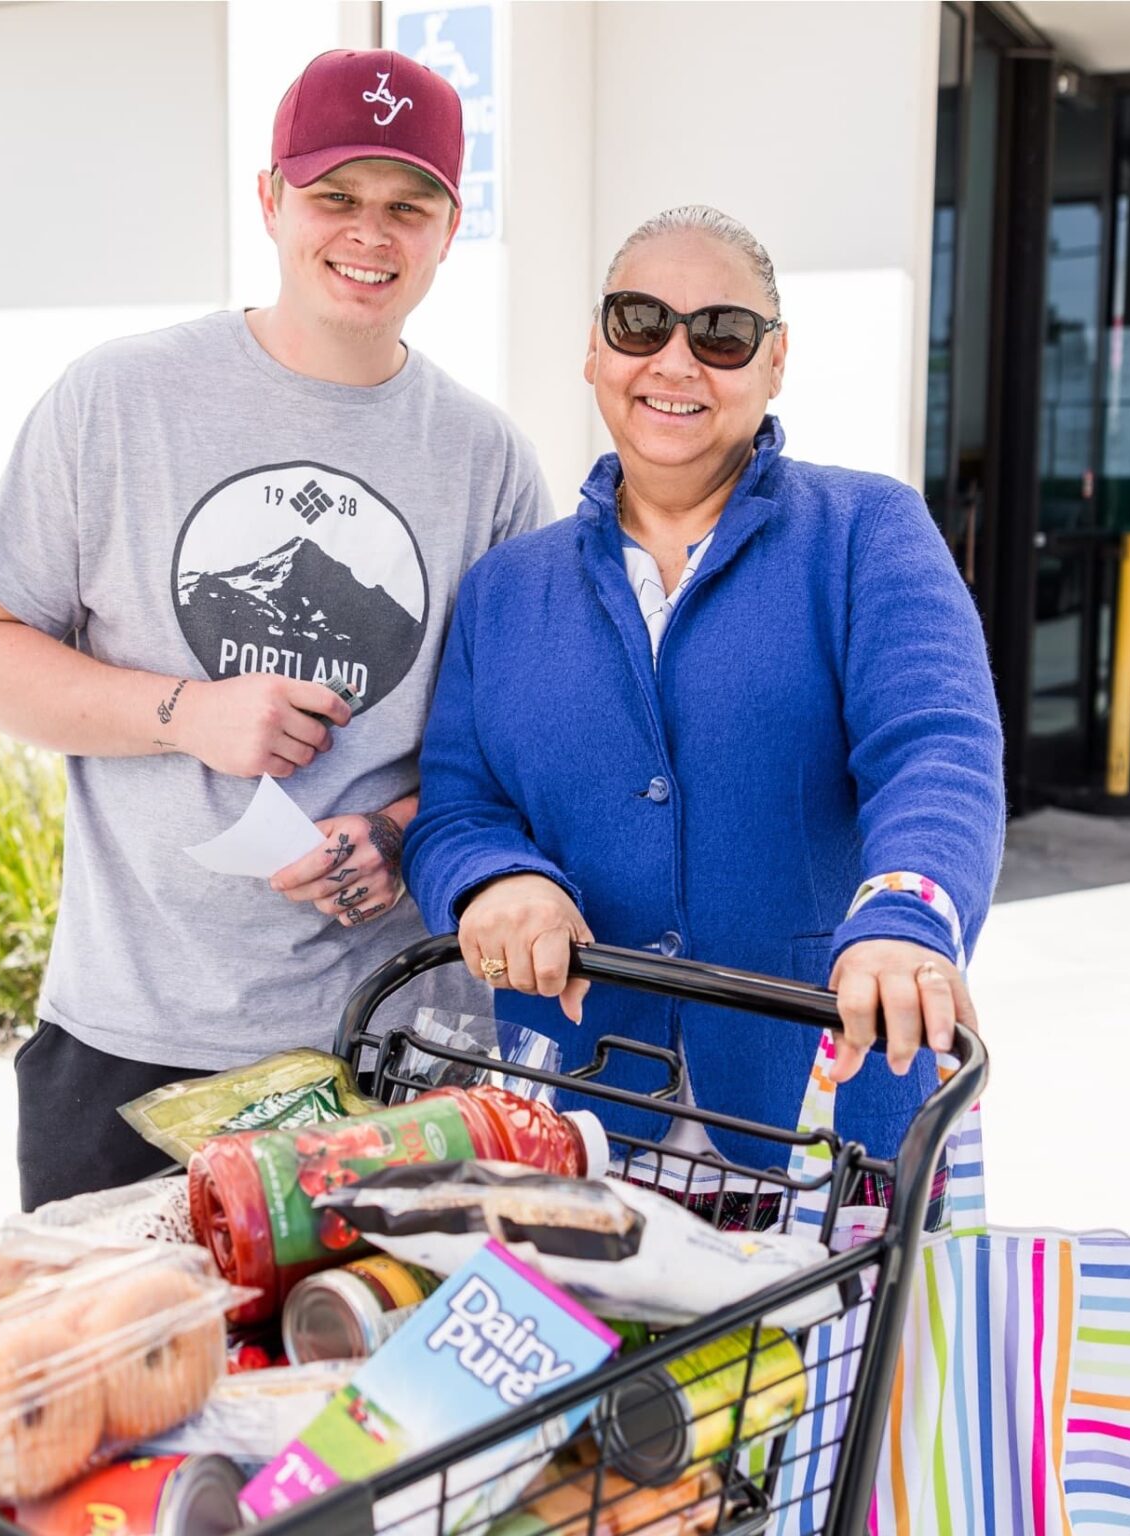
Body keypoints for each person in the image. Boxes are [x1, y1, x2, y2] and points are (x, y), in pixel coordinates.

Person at [0, 49, 552, 1211]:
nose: (370, 233)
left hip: (391, 1040)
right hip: (130, 1034)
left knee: (353, 1386)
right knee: (117, 1379)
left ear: (448, 228)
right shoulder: (117, 400)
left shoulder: (489, 461)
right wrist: (182, 712)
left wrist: (403, 833)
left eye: (407, 206)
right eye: (336, 198)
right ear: (270, 199)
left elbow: (529, 742)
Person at [403, 206, 1005, 1204]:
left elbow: (934, 750)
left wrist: (907, 914)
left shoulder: (865, 532)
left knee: (833, 1366)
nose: (675, 361)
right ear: (594, 350)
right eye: (641, 322)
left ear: (773, 365)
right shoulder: (507, 587)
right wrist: (495, 881)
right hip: (573, 1123)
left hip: (823, 1120)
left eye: (719, 334)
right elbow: (460, 806)